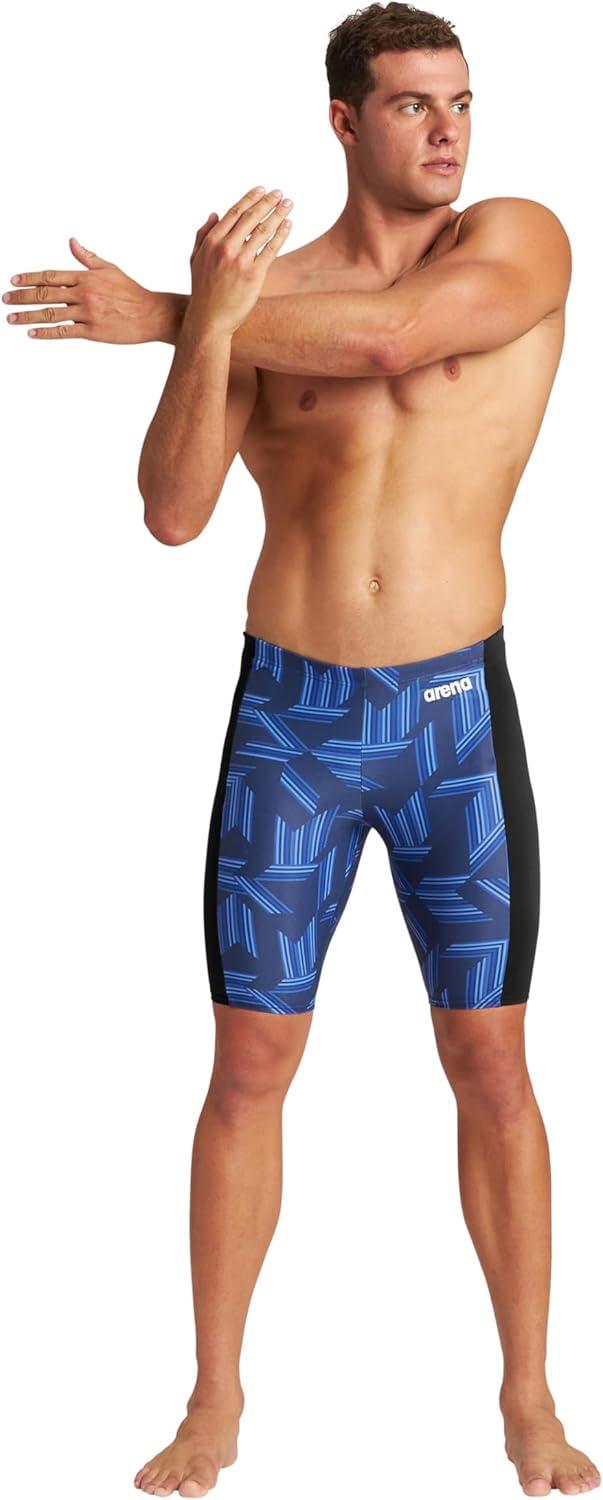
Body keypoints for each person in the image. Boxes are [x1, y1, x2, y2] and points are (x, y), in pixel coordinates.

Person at [5, 4, 599, 1497]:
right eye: (410, 105)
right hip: (295, 725)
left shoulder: (520, 242)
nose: (447, 130)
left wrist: (171, 308)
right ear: (343, 120)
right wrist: (204, 326)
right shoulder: (261, 296)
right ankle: (214, 1402)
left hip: (454, 723)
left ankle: (530, 1401)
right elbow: (174, 513)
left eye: (460, 101)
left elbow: (397, 337)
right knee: (250, 1064)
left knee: (492, 1063)